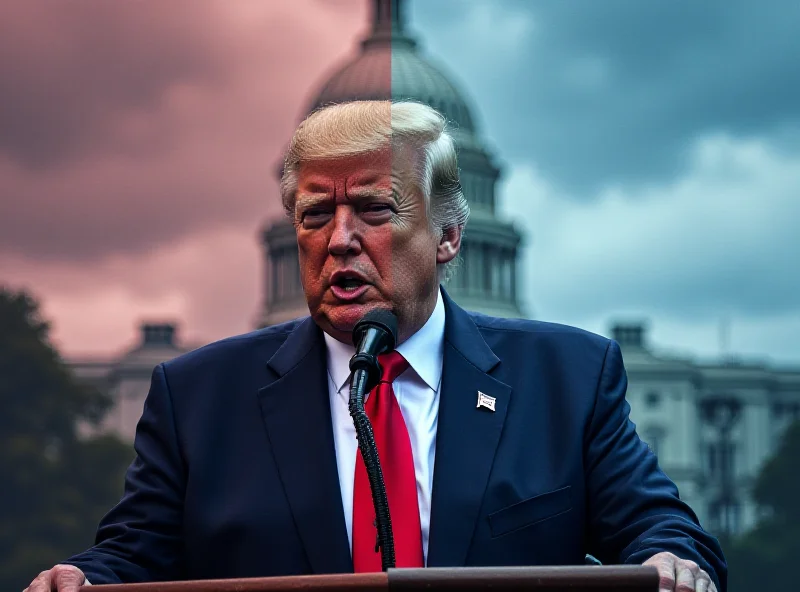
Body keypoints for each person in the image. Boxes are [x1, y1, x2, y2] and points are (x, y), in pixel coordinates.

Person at [26, 100, 726, 592]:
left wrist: (668, 559)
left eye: (374, 209)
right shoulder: (199, 397)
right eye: (315, 214)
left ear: (451, 237)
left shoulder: (567, 378)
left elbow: (664, 531)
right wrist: (82, 578)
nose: (339, 239)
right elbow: (133, 556)